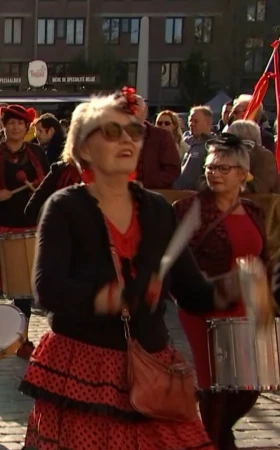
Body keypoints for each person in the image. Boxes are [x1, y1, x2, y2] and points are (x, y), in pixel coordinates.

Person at [18, 90, 270, 449]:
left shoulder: (156, 209)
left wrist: (237, 284)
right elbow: (49, 289)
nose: (127, 140)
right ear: (84, 148)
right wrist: (114, 297)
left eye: (133, 132)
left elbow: (193, 293)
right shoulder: (65, 207)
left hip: (153, 368)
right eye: (112, 132)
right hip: (83, 368)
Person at [174, 133, 272, 450]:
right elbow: (177, 261)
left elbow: (264, 258)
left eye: (224, 168)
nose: (214, 173)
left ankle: (219, 435)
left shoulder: (254, 211)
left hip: (246, 306)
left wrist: (265, 294)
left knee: (249, 386)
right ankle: (216, 442)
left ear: (243, 174)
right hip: (206, 304)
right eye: (211, 167)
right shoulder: (189, 208)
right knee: (216, 385)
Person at [0, 104, 48, 360]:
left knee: (23, 291)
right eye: (10, 123)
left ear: (27, 128)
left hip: (27, 227)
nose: (15, 127)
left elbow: (46, 184)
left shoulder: (37, 153)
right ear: (3, 126)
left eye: (20, 124)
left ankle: (22, 340)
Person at [226, 120, 278, 193]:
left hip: (255, 202)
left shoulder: (263, 156)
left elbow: (261, 187)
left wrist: (228, 188)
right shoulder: (226, 153)